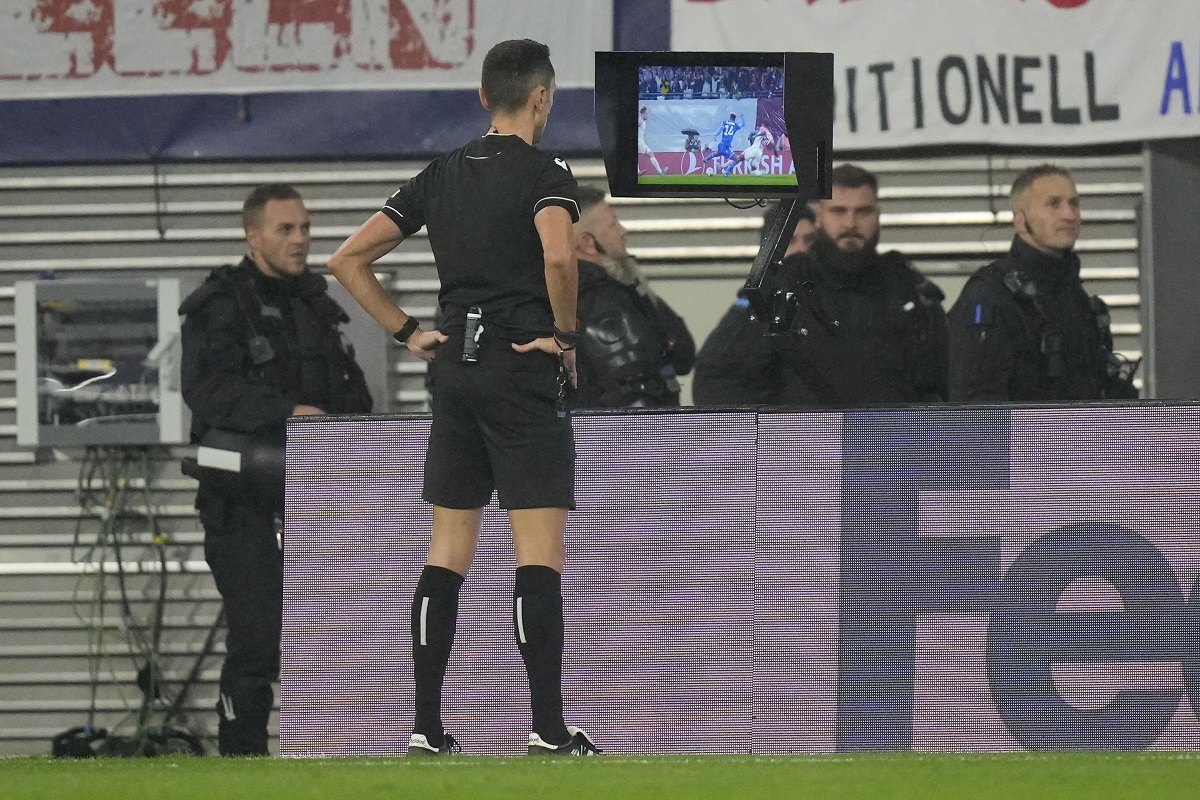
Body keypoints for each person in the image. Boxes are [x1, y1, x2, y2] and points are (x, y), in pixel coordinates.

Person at [325, 39, 598, 757]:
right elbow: (559, 252)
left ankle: (425, 726)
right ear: (542, 97)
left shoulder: (439, 174)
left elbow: (345, 259)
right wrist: (565, 335)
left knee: (447, 549)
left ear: (484, 97)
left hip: (454, 370)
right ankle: (545, 728)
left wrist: (408, 330)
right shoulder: (549, 172)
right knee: (538, 552)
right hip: (520, 368)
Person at [179, 184, 373, 756]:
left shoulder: (317, 303)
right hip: (242, 501)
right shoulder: (219, 304)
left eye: (306, 229)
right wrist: (288, 413)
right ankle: (242, 756)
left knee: (332, 634)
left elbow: (350, 395)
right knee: (260, 633)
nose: (299, 240)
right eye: (285, 229)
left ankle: (336, 748)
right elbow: (207, 391)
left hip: (318, 499)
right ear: (252, 234)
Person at [694, 164, 949, 406]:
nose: (851, 223)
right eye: (839, 211)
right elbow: (716, 378)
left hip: (893, 444)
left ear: (878, 215)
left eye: (863, 211)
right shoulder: (783, 286)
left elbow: (946, 383)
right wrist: (773, 440)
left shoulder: (908, 289)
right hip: (806, 446)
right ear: (819, 217)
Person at [948, 164, 1137, 402]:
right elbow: (975, 413)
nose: (1069, 215)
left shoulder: (1076, 298)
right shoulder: (990, 295)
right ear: (1020, 221)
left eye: (1074, 204)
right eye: (1054, 204)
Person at [572, 185, 695, 408]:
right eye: (613, 224)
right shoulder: (603, 305)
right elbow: (633, 401)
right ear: (587, 244)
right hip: (638, 438)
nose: (623, 231)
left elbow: (683, 353)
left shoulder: (622, 288)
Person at [692, 203, 817, 405]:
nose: (802, 249)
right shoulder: (750, 313)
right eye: (789, 241)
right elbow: (712, 380)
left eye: (810, 240)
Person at [637, 106, 668, 176]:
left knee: (650, 154)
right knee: (651, 154)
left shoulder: (642, 121)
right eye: (647, 113)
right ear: (643, 113)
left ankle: (660, 172)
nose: (648, 115)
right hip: (639, 142)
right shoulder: (640, 120)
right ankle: (660, 172)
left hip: (641, 142)